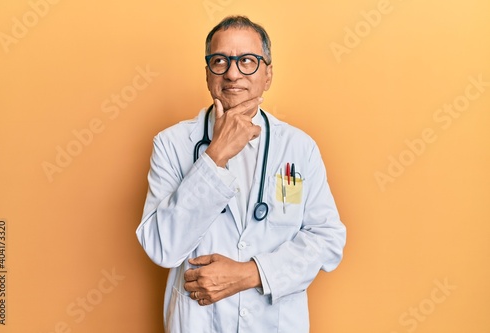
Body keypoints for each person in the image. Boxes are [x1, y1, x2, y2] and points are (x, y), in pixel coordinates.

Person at [136, 15, 346, 333]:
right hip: (200, 321)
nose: (233, 73)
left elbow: (328, 240)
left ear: (268, 74)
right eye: (220, 61)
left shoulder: (299, 148)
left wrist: (250, 274)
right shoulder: (171, 144)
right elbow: (161, 247)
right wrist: (215, 155)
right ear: (208, 73)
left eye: (247, 60)